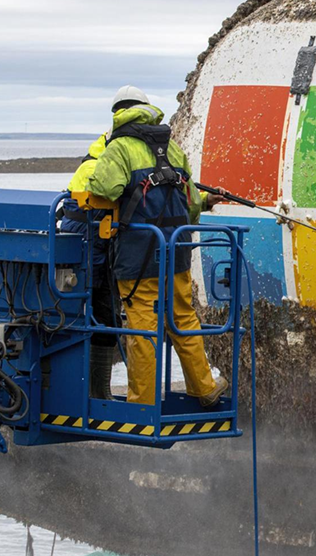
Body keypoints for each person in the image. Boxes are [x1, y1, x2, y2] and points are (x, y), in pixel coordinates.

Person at [88, 85, 227, 407]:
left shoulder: (120, 147)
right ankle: (204, 387)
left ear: (118, 113)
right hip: (176, 249)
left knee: (142, 327)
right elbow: (191, 204)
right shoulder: (172, 148)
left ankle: (142, 402)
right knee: (182, 317)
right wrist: (207, 201)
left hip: (138, 254)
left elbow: (106, 189)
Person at [58, 131, 118, 399]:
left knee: (84, 316)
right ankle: (96, 393)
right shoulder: (103, 168)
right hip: (90, 249)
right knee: (102, 317)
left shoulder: (90, 163)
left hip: (79, 248)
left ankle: (86, 391)